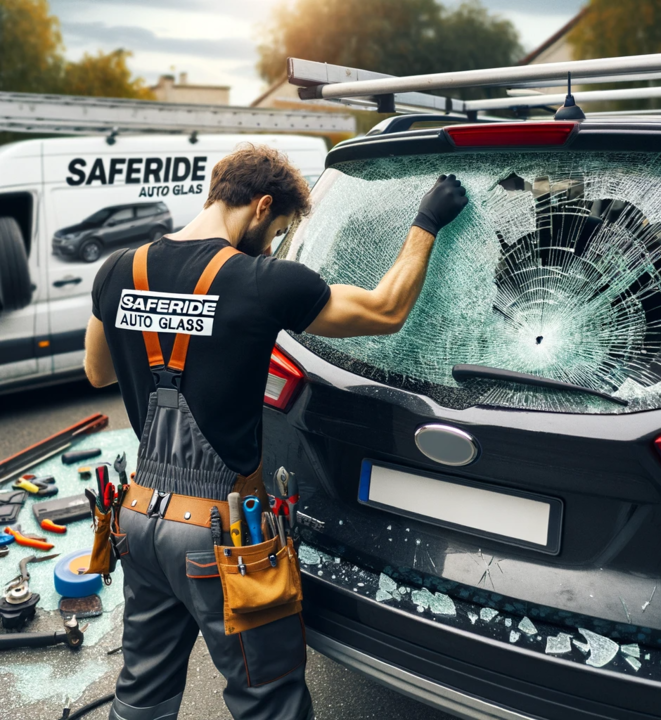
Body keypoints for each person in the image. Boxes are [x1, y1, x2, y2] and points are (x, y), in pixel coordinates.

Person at [84, 143, 467, 720]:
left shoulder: (117, 269)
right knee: (269, 701)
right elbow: (386, 310)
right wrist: (428, 219)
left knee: (142, 694)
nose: (273, 243)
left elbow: (97, 371)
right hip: (223, 537)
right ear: (262, 207)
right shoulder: (263, 281)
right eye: (280, 228)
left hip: (137, 522)